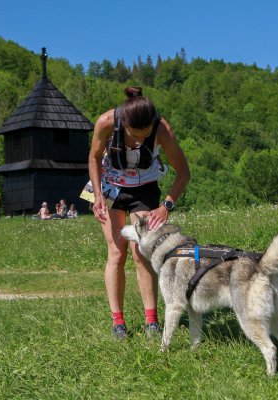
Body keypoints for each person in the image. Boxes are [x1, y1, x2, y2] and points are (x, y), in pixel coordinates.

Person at [88, 86, 190, 339]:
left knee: (141, 252)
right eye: (134, 136)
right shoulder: (106, 122)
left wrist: (165, 206)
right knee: (116, 252)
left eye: (144, 137)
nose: (138, 142)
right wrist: (97, 196)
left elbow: (183, 172)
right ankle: (118, 323)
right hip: (110, 188)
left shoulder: (162, 129)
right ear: (124, 123)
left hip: (144, 190)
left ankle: (151, 321)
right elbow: (94, 157)